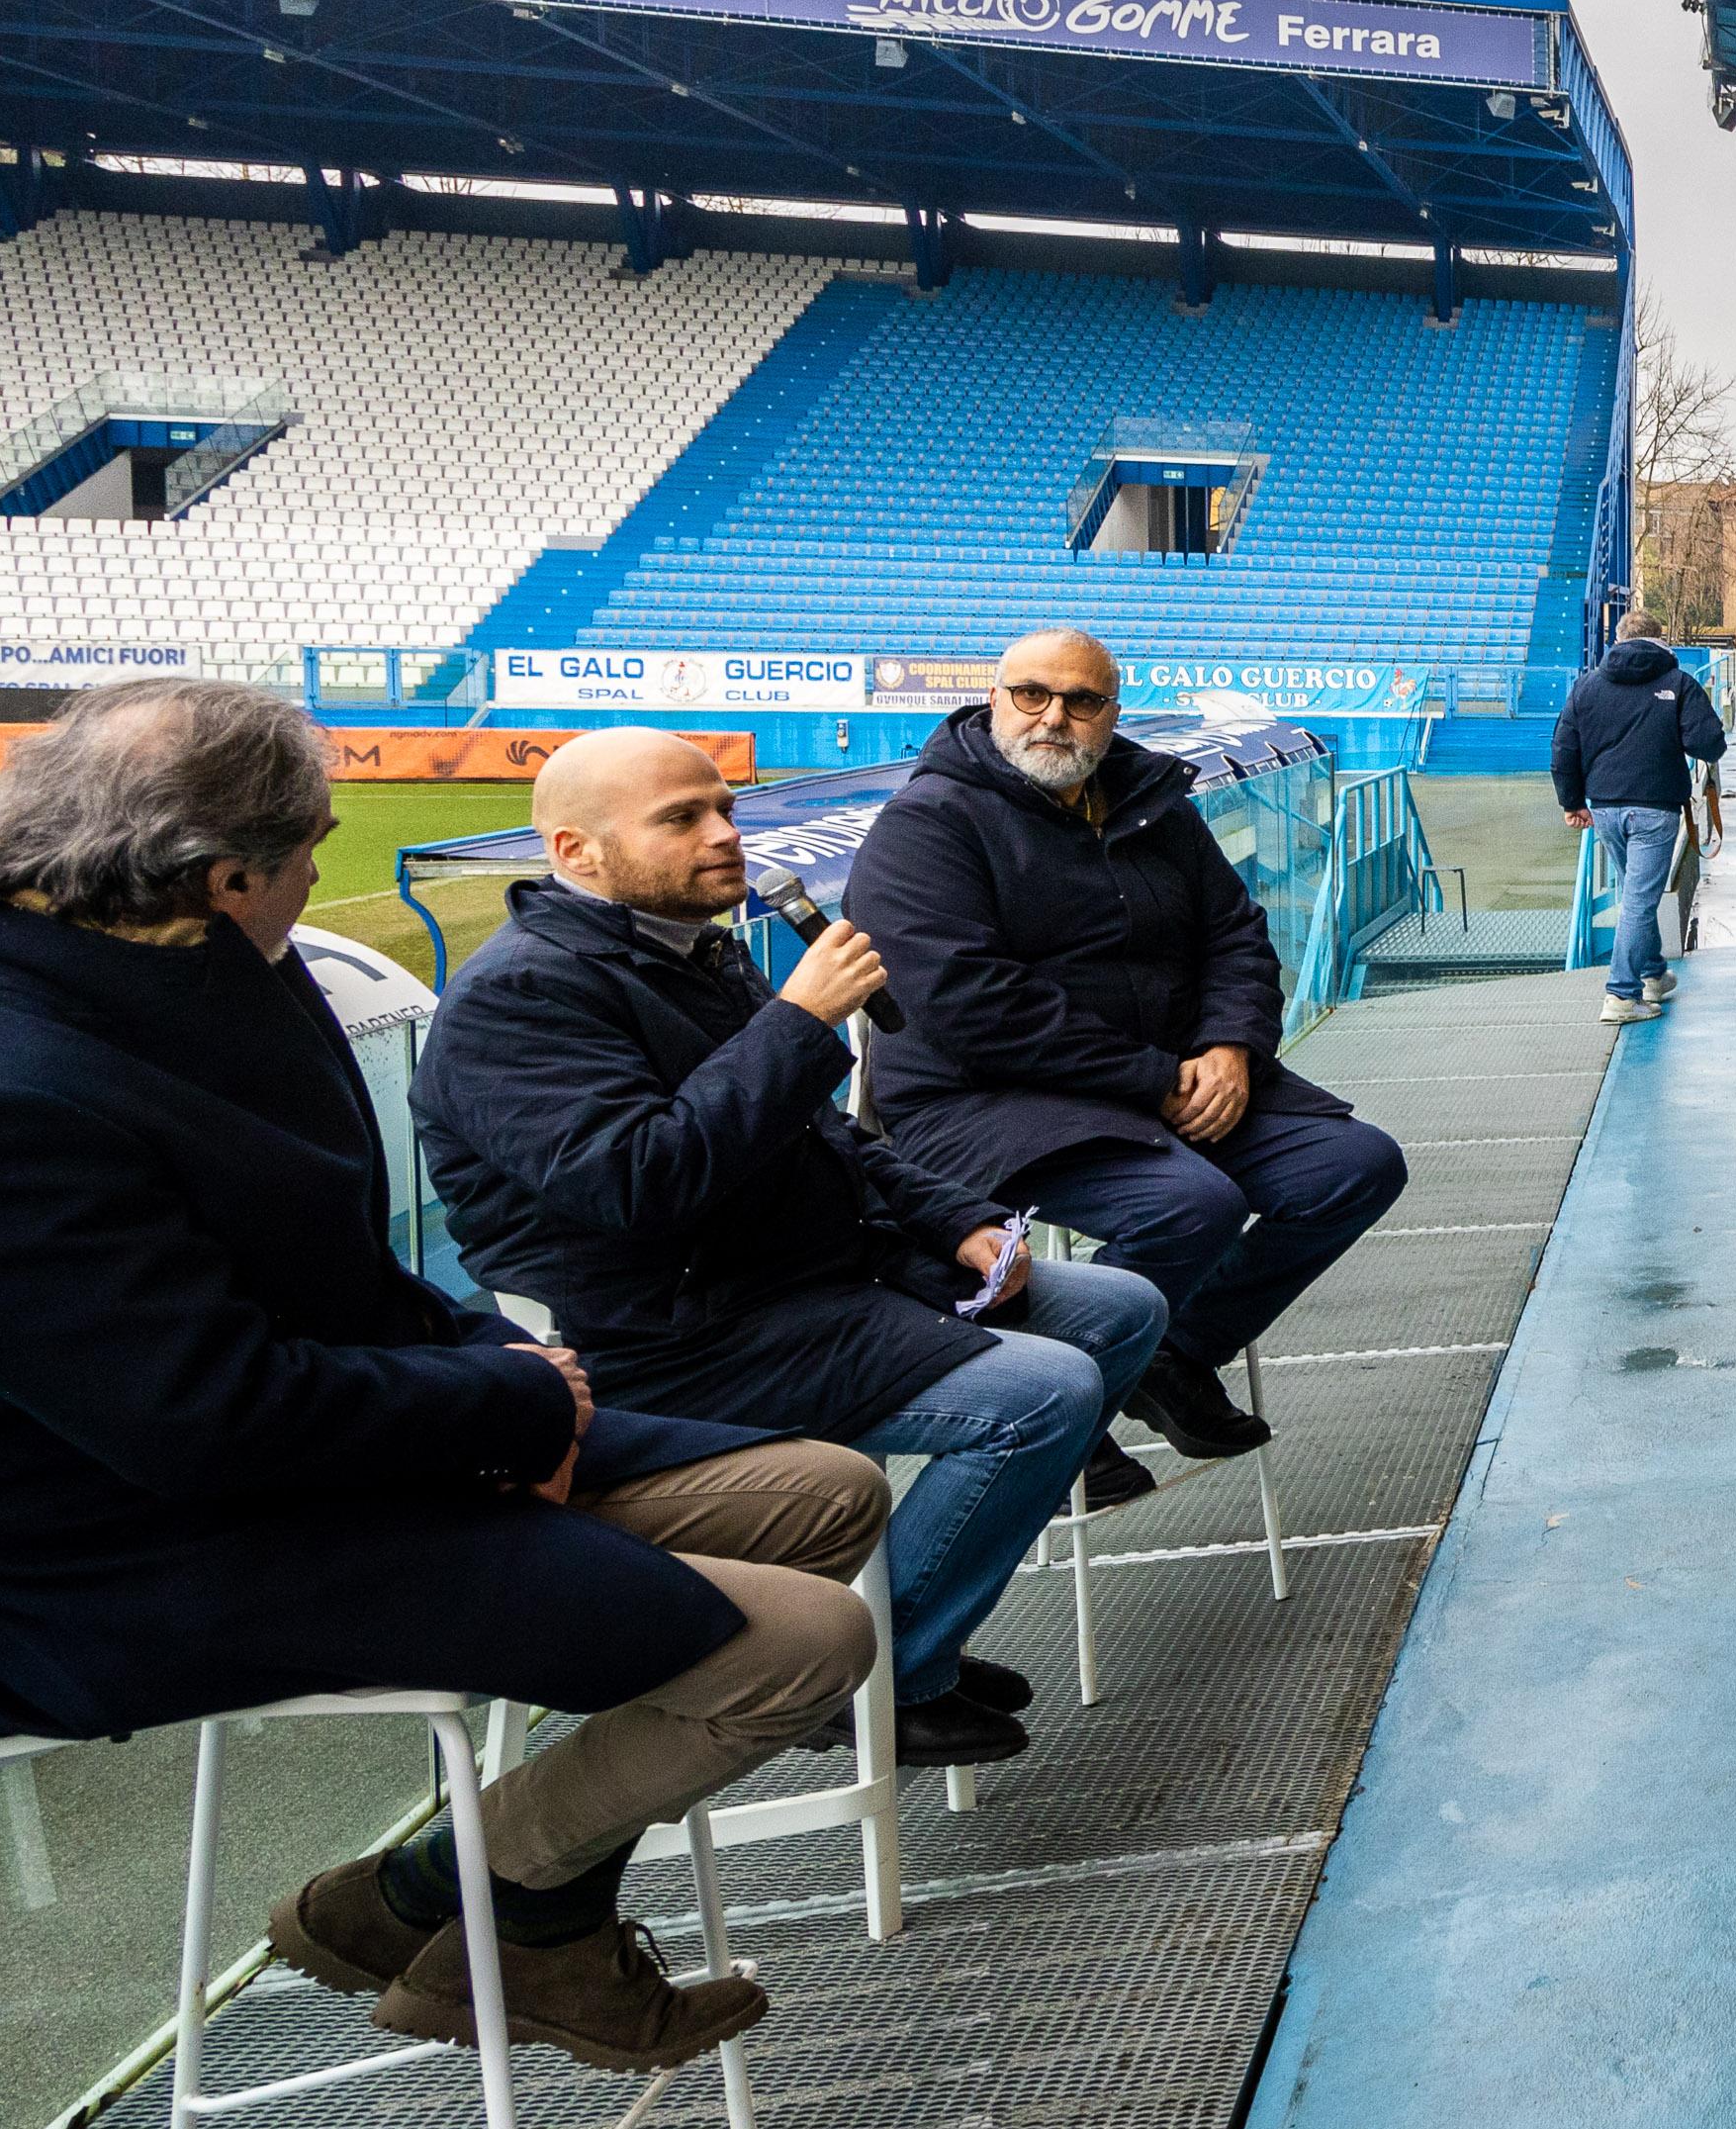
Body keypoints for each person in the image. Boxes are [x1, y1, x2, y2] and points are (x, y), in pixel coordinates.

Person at [0, 681, 881, 2073]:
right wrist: (518, 1408)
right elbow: (207, 1423)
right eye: (311, 849)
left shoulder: (168, 982)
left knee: (829, 1492)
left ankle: (448, 1902)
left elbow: (342, 1275)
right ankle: (497, 1910)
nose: (319, 875)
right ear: (223, 877)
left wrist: (513, 1368)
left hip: (317, 1476)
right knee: (805, 1643)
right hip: (146, 1568)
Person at [413, 731, 1170, 1772]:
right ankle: (877, 1676)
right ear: (576, 852)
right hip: (683, 1340)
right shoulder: (520, 999)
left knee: (1122, 1309)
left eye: (724, 808)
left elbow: (823, 1135)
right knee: (1039, 1395)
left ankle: (917, 1633)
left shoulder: (684, 947)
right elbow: (641, 1182)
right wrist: (801, 1019)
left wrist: (951, 1217)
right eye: (682, 820)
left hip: (805, 1287)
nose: (724, 835)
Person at [845, 631, 1410, 1475]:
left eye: (1082, 701)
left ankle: (1163, 1354)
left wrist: (1231, 1046)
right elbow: (972, 1008)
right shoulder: (927, 827)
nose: (1054, 717)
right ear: (993, 699)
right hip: (985, 1103)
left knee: (1355, 1165)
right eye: (1032, 695)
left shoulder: (1152, 803)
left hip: (1166, 1081)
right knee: (1190, 1206)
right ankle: (1060, 1409)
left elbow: (1236, 938)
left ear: (1112, 714)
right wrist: (1155, 1077)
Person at [1552, 629, 1727, 1021]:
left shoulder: (1587, 686)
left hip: (1606, 810)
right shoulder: (1678, 683)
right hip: (1655, 808)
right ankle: (1620, 995)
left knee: (1635, 895)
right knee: (1638, 900)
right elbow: (1710, 743)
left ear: (1620, 640)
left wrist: (1572, 802)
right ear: (1658, 640)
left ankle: (1652, 975)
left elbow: (1564, 748)